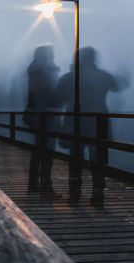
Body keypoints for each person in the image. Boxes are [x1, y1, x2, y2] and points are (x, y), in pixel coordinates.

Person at [56, 47, 130, 206]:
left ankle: (74, 193)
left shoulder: (70, 77)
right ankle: (98, 194)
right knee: (98, 161)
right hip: (99, 121)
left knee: (75, 159)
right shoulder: (103, 76)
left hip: (76, 121)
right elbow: (120, 86)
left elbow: (58, 98)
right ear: (93, 58)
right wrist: (123, 68)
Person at [24, 44, 62, 198]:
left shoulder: (34, 72)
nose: (54, 55)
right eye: (51, 53)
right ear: (45, 55)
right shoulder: (47, 72)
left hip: (35, 115)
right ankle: (46, 188)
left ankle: (33, 184)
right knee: (47, 152)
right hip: (47, 116)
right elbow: (54, 96)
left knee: (38, 150)